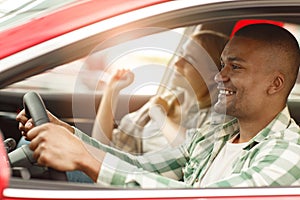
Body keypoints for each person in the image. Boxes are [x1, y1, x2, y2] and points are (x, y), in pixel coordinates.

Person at [17, 23, 300, 188]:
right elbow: (141, 166)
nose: (219, 76)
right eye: (222, 63)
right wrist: (69, 134)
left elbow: (204, 198)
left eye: (235, 67)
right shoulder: (216, 134)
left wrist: (87, 160)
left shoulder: (289, 154)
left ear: (275, 84)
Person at [92, 30, 230, 154]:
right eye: (181, 54)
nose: (177, 63)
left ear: (215, 75)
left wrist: (159, 115)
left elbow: (193, 152)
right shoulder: (167, 100)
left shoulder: (218, 117)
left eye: (190, 60)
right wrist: (112, 91)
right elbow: (101, 147)